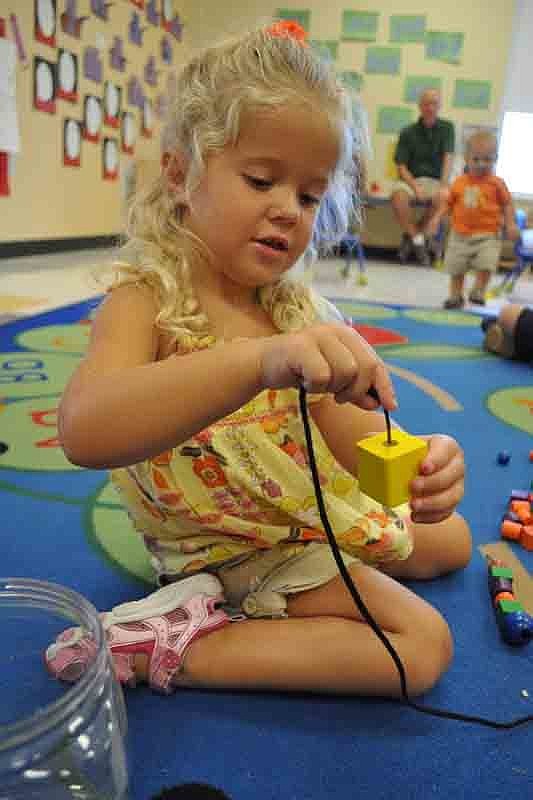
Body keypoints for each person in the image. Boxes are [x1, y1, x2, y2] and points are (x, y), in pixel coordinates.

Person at [45, 21, 471, 699]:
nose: (286, 211)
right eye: (261, 179)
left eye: (307, 195)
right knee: (418, 648)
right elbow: (84, 431)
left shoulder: (293, 311)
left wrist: (422, 460)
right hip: (229, 543)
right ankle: (170, 646)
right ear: (181, 174)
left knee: (450, 538)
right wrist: (255, 362)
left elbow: (354, 442)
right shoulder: (146, 300)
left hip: (292, 505)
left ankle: (277, 591)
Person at [428, 131, 520, 309]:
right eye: (476, 159)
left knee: (487, 264)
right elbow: (448, 204)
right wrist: (435, 219)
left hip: (488, 235)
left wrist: (510, 224)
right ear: (466, 159)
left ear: (495, 159)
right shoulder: (459, 183)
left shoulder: (497, 183)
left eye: (487, 160)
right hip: (460, 235)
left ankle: (478, 290)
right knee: (456, 268)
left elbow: (507, 204)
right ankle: (455, 296)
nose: (481, 164)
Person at [391, 89, 455, 266]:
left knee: (445, 196)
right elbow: (401, 166)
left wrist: (443, 185)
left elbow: (448, 158)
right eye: (426, 103)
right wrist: (415, 187)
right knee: (398, 197)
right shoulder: (407, 132)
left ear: (439, 106)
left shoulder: (448, 128)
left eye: (434, 103)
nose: (430, 107)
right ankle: (418, 239)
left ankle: (414, 237)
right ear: (420, 106)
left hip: (436, 181)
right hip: (411, 180)